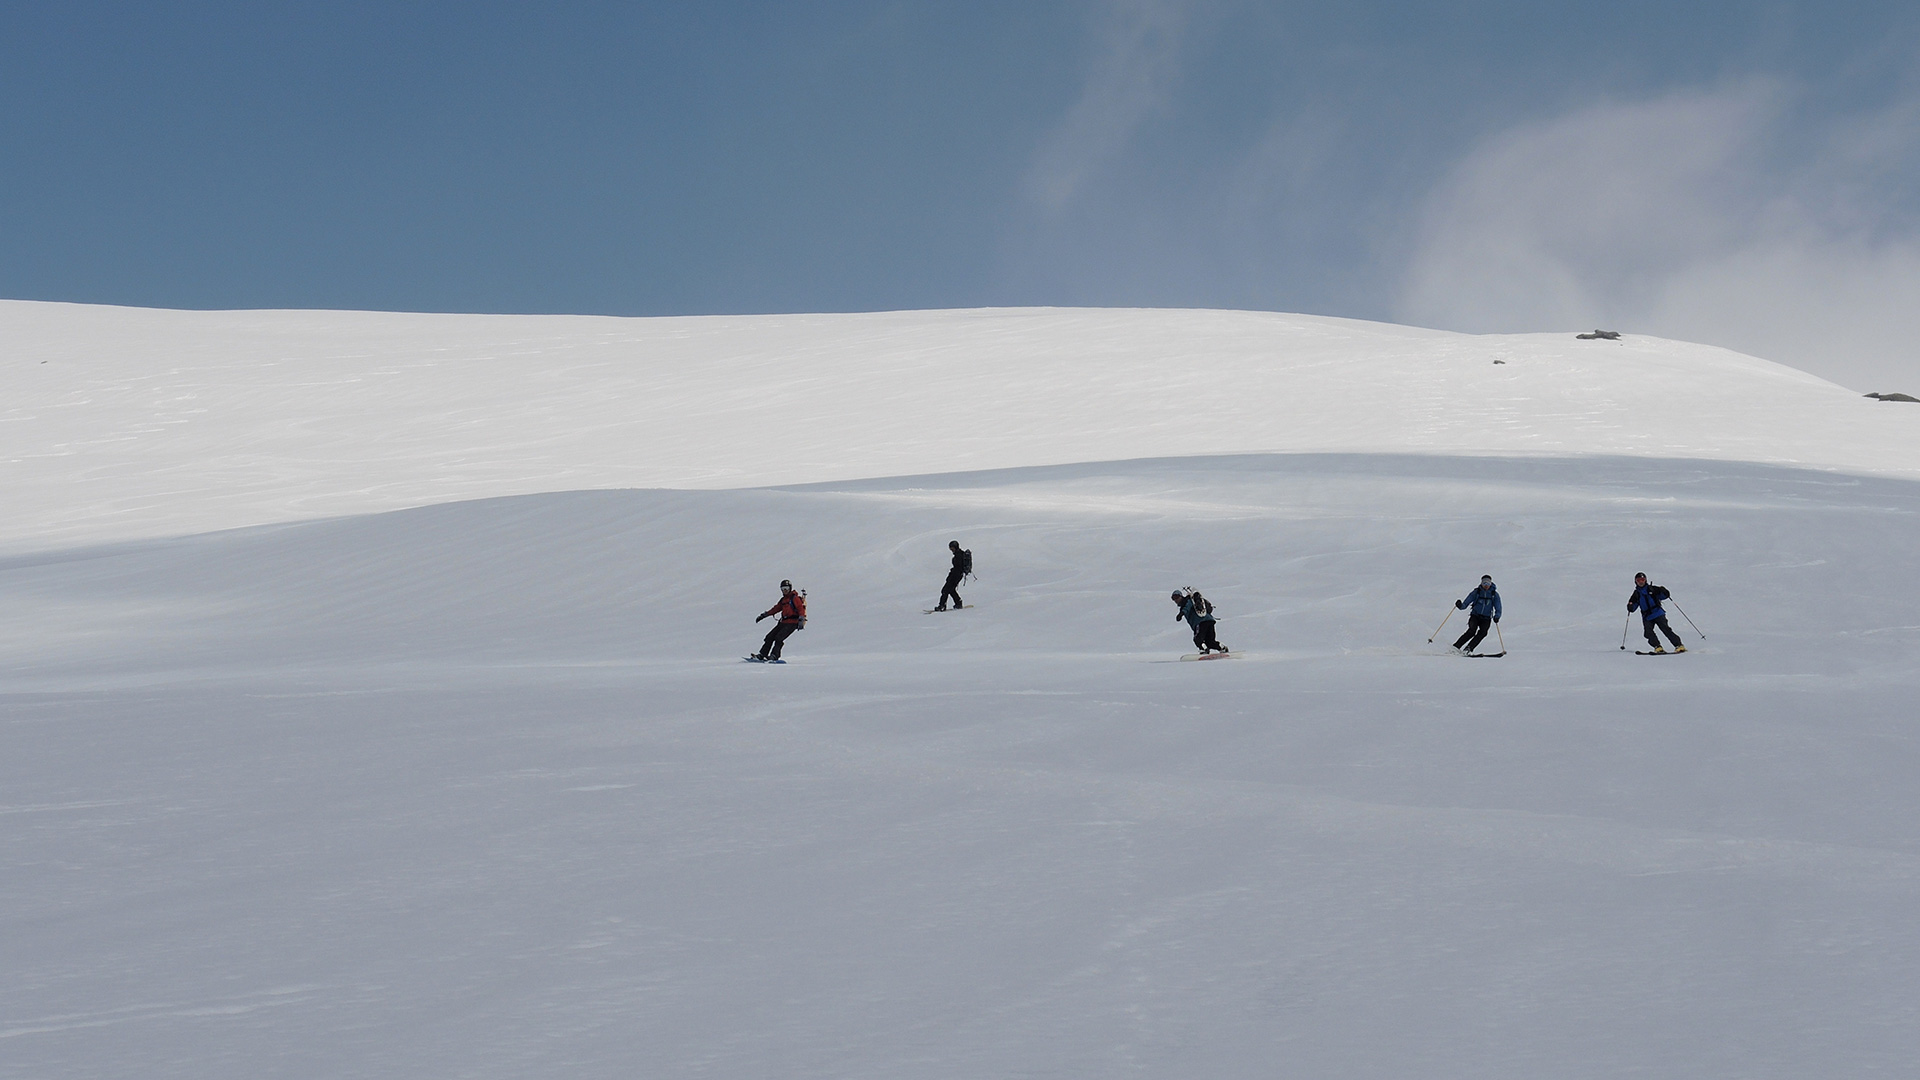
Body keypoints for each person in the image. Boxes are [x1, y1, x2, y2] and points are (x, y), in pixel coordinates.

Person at [1628, 572, 1685, 653]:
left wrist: (1665, 592)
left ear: (1645, 580)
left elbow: (1664, 596)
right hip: (1647, 616)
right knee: (1648, 633)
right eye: (1638, 580)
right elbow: (1633, 607)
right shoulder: (1636, 594)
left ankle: (1679, 645)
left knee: (1666, 629)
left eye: (1642, 580)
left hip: (1658, 613)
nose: (1641, 582)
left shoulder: (1652, 589)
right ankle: (1657, 647)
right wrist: (1630, 607)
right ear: (1636, 582)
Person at [752, 580, 807, 662]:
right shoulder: (783, 600)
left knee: (779, 638)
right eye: (783, 588)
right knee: (769, 636)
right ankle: (762, 654)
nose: (785, 590)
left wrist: (801, 620)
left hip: (792, 623)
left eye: (786, 588)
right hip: (783, 622)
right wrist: (764, 615)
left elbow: (800, 609)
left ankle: (774, 655)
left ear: (790, 588)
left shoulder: (794, 598)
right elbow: (776, 609)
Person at [1451, 575, 1501, 653]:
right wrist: (1460, 605)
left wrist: (1497, 616)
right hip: (1475, 616)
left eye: (1488, 583)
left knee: (1483, 633)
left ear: (1491, 583)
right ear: (1481, 583)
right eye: (1484, 583)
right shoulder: (1477, 592)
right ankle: (1456, 647)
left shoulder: (1494, 594)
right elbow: (1466, 603)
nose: (1486, 585)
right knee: (1471, 631)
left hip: (1486, 618)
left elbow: (1498, 607)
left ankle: (1468, 649)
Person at [1172, 588, 1228, 654]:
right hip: (1209, 621)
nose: (1175, 600)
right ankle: (1222, 647)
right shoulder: (1191, 601)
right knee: (1210, 642)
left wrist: (1181, 614)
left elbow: (1187, 607)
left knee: (1197, 639)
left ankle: (1204, 650)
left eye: (1177, 597)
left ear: (1181, 596)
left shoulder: (1187, 601)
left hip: (1201, 622)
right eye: (1173, 598)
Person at [934, 540, 972, 611]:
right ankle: (958, 603)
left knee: (945, 590)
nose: (951, 550)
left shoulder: (959, 555)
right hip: (957, 575)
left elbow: (958, 567)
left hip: (955, 576)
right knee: (951, 590)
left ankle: (942, 606)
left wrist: (951, 576)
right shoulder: (959, 554)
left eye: (952, 548)